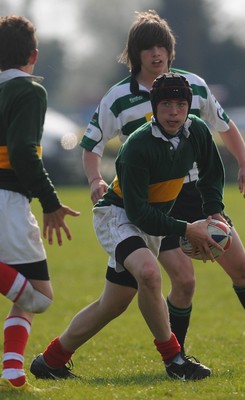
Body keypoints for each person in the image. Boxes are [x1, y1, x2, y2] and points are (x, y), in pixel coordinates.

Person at [30, 10, 245, 381]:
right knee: (169, 277)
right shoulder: (127, 122)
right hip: (137, 206)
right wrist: (93, 181)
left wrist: (221, 200)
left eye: (161, 46)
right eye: (147, 47)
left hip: (183, 197)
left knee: (117, 301)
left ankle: (50, 360)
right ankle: (175, 360)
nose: (174, 110)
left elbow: (216, 158)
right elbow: (97, 154)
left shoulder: (193, 102)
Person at [0, 15, 80, 393]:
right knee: (40, 295)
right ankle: (11, 367)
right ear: (33, 55)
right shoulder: (30, 91)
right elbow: (22, 153)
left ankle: (12, 368)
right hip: (8, 203)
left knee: (26, 294)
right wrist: (51, 202)